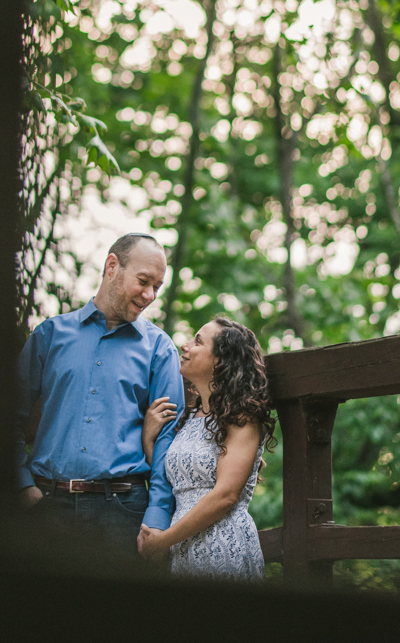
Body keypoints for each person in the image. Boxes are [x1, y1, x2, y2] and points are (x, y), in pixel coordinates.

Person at [15, 233, 184, 556]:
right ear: (112, 266)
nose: (149, 295)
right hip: (47, 506)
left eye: (157, 287)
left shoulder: (159, 349)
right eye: (144, 281)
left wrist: (158, 513)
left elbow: (168, 437)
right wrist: (22, 483)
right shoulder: (50, 335)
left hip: (123, 512)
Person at [137, 316, 275, 580]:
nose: (185, 346)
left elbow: (225, 495)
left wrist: (164, 540)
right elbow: (177, 480)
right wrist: (148, 440)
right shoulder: (191, 416)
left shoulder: (242, 418)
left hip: (222, 545)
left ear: (220, 361)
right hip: (183, 548)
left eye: (197, 341)